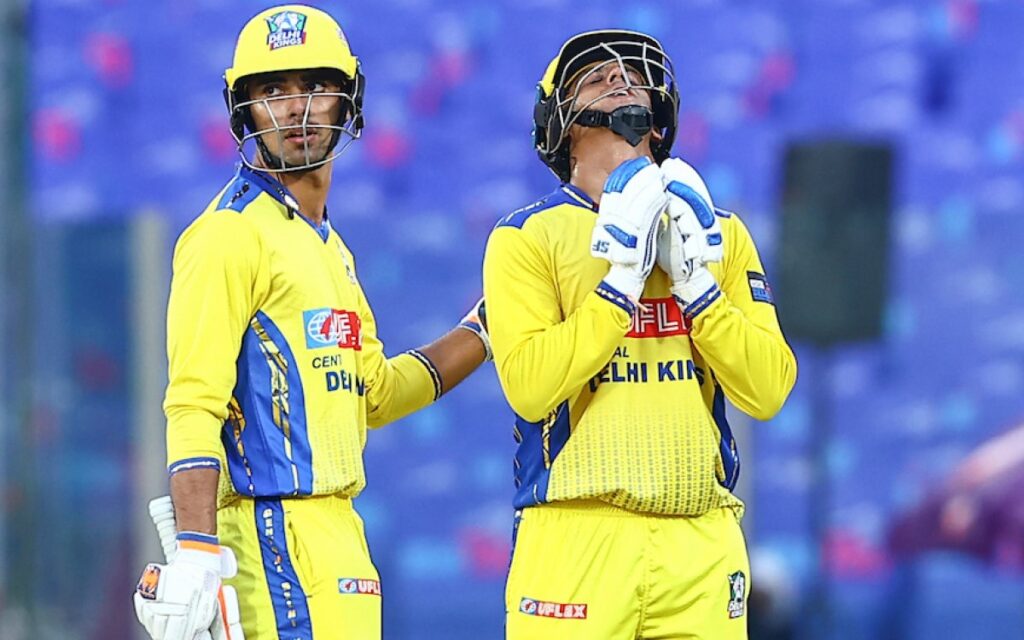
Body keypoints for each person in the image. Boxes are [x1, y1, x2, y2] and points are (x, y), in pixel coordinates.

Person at [132, 5, 490, 640]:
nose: (296, 109)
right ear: (244, 111)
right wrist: (196, 550)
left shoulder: (331, 248)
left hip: (341, 537)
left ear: (348, 102)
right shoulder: (226, 235)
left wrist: (487, 329)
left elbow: (375, 394)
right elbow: (192, 402)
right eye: (273, 91)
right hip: (269, 539)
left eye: (316, 87)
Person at [483, 29, 798, 639]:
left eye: (634, 74)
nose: (620, 77)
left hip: (700, 537)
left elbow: (769, 389)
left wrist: (699, 291)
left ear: (660, 121)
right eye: (594, 75)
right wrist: (619, 284)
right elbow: (529, 388)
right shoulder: (524, 236)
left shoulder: (723, 235)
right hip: (577, 534)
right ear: (560, 126)